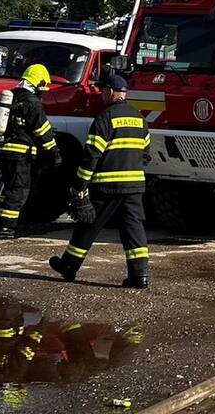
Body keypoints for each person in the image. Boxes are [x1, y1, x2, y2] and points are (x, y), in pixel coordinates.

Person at [49, 71, 150, 288]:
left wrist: (79, 185)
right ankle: (139, 276)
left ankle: (69, 266)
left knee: (88, 225)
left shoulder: (104, 118)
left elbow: (91, 155)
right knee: (134, 230)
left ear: (110, 92)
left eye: (103, 91)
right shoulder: (140, 118)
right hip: (134, 186)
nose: (101, 95)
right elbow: (145, 154)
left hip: (107, 186)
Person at [0, 63, 61, 238]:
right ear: (37, 84)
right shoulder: (33, 103)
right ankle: (6, 229)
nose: (42, 92)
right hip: (22, 155)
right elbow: (42, 131)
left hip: (5, 152)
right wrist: (54, 153)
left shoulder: (11, 97)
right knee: (18, 191)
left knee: (7, 189)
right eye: (42, 87)